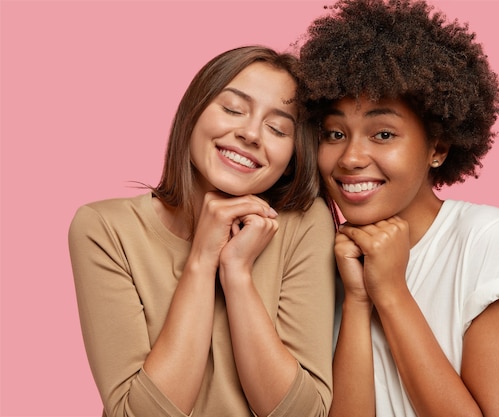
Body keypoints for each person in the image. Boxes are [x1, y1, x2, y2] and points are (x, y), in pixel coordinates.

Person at [296, 1, 499, 416]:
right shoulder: (322, 254)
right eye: (335, 133)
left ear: (438, 148)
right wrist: (358, 300)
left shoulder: (484, 237)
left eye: (382, 134)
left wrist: (391, 292)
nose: (351, 157)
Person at [68, 46, 336, 417]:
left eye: (277, 128)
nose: (250, 134)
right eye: (232, 109)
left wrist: (238, 274)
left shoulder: (304, 224)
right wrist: (201, 260)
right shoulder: (105, 229)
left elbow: (305, 414)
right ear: (192, 113)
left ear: (292, 158)